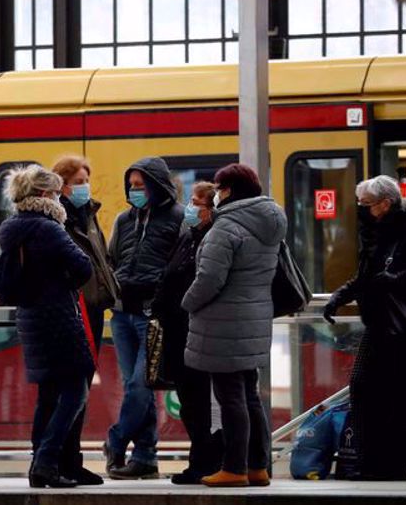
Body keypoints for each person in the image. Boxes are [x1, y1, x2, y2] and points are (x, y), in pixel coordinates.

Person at [181, 163, 285, 488]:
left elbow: (209, 279)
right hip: (253, 320)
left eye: (219, 188)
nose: (214, 194)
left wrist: (186, 303)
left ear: (229, 191)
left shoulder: (226, 228)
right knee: (249, 396)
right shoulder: (269, 222)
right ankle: (258, 466)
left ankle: (234, 468)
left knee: (230, 398)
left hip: (223, 323)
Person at [324, 176, 406, 481]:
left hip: (404, 329)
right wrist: (340, 297)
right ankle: (374, 461)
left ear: (385, 203)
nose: (361, 209)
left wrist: (396, 280)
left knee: (394, 397)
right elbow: (366, 276)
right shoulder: (376, 232)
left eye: (366, 204)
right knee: (366, 390)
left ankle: (391, 464)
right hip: (381, 324)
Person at [0, 166, 94, 488]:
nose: (59, 199)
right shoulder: (49, 228)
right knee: (75, 389)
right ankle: (47, 461)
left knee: (48, 395)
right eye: (55, 192)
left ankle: (40, 464)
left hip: (30, 318)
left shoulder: (12, 228)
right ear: (43, 195)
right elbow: (83, 266)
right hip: (58, 317)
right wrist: (63, 283)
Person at [107, 157, 183, 479]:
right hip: (122, 315)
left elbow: (180, 265)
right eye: (132, 186)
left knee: (141, 385)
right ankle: (146, 457)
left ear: (157, 185)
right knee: (135, 386)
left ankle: (116, 439)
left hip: (154, 315)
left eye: (141, 185)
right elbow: (112, 257)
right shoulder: (124, 220)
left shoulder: (178, 218)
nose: (135, 191)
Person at [49, 155, 116, 485]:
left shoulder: (87, 215)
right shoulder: (58, 219)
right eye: (78, 181)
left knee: (80, 389)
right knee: (69, 390)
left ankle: (69, 459)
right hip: (72, 311)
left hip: (92, 308)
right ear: (61, 185)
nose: (84, 187)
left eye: (85, 180)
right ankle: (58, 460)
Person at [151, 182, 223, 484]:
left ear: (211, 210)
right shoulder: (189, 237)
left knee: (199, 402)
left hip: (195, 330)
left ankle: (206, 462)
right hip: (177, 331)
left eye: (197, 204)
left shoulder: (211, 241)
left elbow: (200, 283)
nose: (190, 209)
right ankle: (200, 460)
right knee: (189, 401)